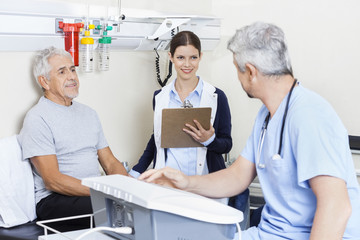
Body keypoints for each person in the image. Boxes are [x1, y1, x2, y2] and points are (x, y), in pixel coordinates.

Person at [139, 22, 360, 240]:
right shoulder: (267, 114)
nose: (238, 77)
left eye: (237, 68)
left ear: (251, 72)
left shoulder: (310, 116)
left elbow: (337, 209)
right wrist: (185, 182)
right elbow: (238, 176)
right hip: (270, 233)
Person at [129, 31, 250, 227]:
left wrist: (210, 140)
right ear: (171, 57)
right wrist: (135, 174)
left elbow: (226, 145)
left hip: (205, 186)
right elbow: (156, 139)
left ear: (201, 57)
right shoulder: (160, 97)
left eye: (193, 57)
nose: (187, 64)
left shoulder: (217, 97)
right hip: (168, 187)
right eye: (180, 58)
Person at [18, 47, 128, 231]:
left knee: (140, 207)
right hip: (55, 199)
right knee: (116, 210)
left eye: (72, 69)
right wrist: (102, 191)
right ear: (44, 81)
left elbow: (110, 162)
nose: (72, 77)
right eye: (62, 71)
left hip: (92, 193)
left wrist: (130, 188)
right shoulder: (37, 118)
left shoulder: (89, 114)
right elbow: (53, 180)